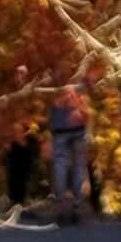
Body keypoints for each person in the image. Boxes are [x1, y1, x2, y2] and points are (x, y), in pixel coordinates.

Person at [45, 88, 94, 224]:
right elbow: (88, 114)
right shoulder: (78, 93)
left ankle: (61, 206)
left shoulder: (56, 94)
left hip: (62, 133)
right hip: (77, 132)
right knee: (78, 167)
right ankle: (76, 208)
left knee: (61, 166)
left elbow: (51, 117)